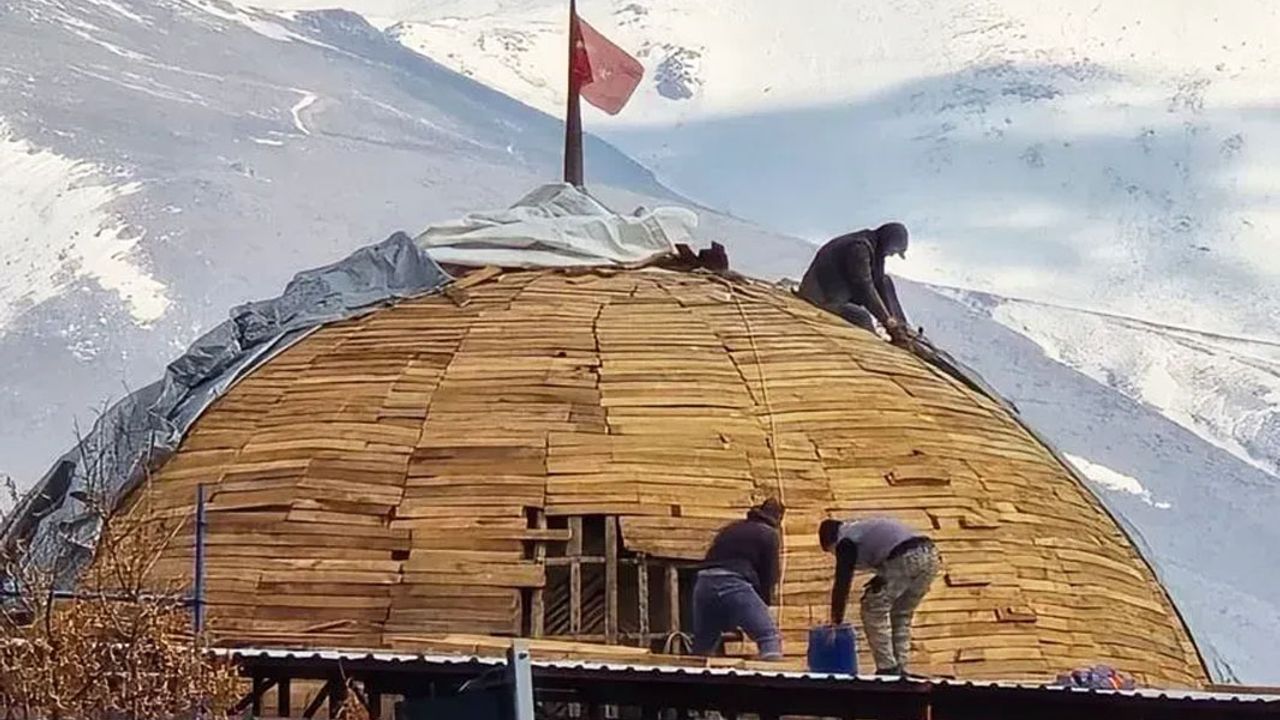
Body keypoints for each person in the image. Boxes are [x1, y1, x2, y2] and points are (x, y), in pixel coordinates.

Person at [818, 516, 940, 676]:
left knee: (873, 608)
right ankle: (900, 666)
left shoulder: (845, 541)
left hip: (906, 557)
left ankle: (887, 667)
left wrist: (836, 620)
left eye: (830, 551)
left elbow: (842, 582)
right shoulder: (859, 529)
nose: (834, 555)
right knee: (901, 613)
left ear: (831, 543)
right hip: (930, 556)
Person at [691, 498, 786, 660]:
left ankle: (690, 682)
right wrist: (764, 603)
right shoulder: (769, 534)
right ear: (778, 518)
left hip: (703, 583)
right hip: (733, 582)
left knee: (704, 644)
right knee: (768, 636)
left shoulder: (731, 528)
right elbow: (769, 574)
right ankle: (774, 683)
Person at [797, 223, 915, 345]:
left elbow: (879, 282)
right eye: (893, 250)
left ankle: (902, 329)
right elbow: (864, 288)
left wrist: (896, 324)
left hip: (835, 293)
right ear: (887, 242)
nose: (891, 254)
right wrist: (887, 322)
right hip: (819, 296)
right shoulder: (859, 248)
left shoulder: (874, 249)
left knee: (886, 282)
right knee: (862, 319)